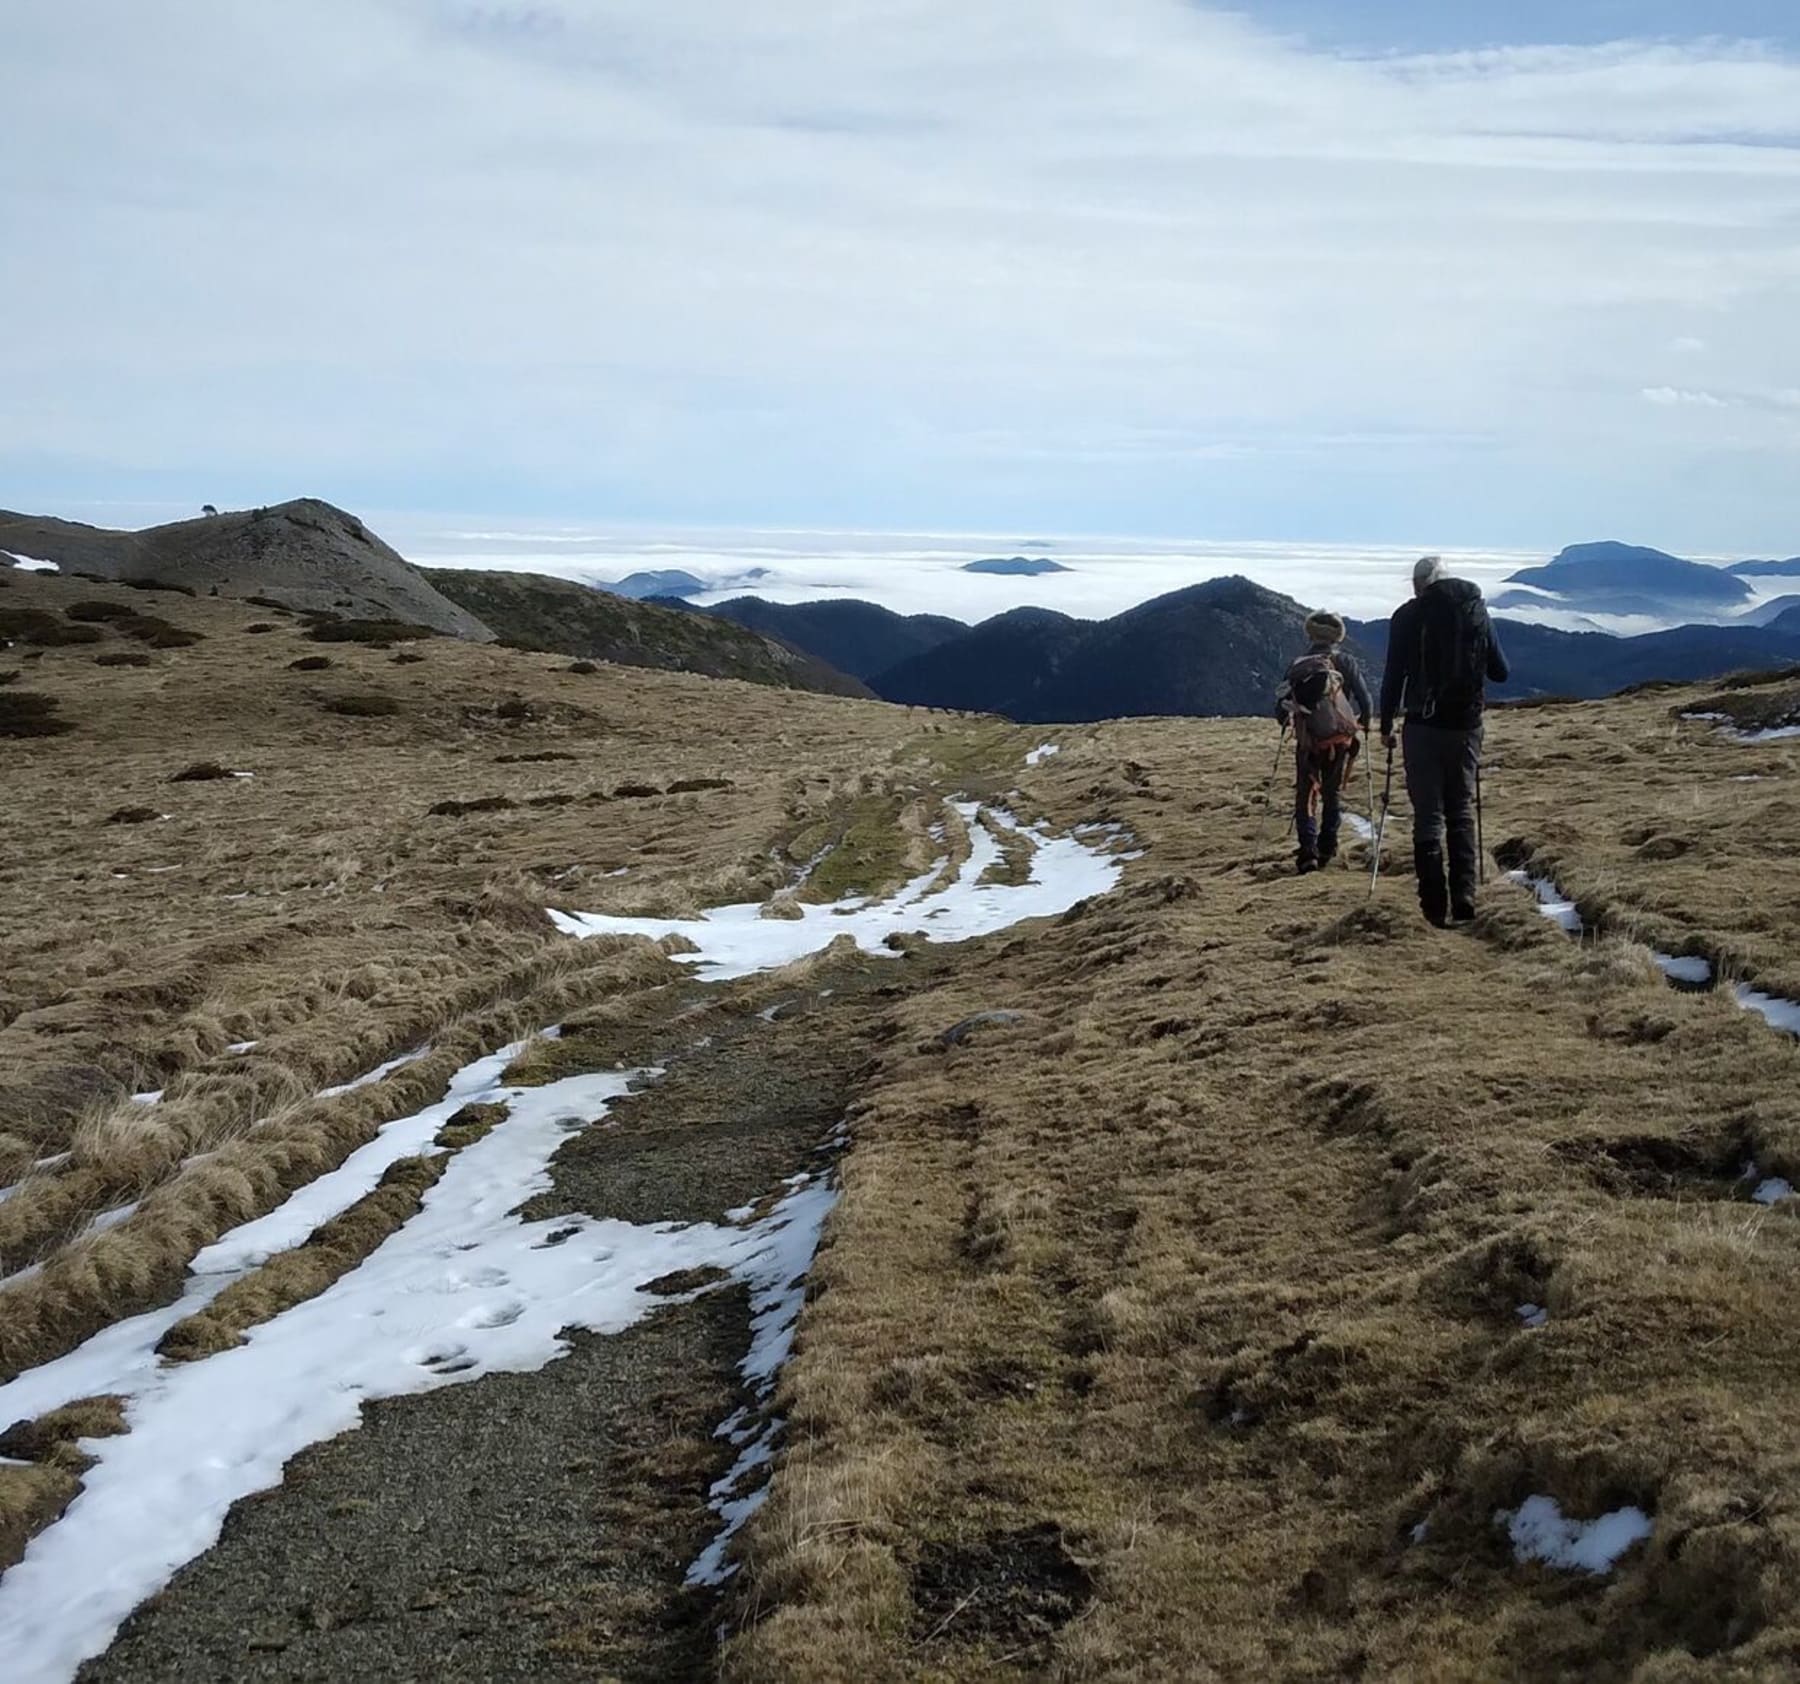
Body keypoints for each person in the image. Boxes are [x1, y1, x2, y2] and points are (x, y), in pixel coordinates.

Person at [1378, 555, 1510, 926]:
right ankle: (1465, 896)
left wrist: (1385, 724)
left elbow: (1394, 676)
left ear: (1419, 583)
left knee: (1428, 816)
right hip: (1466, 725)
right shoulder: (1475, 611)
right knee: (1461, 810)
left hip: (1422, 725)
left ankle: (1433, 905)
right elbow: (1502, 671)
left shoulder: (1407, 616)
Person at [1276, 610, 1371, 874]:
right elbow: (1365, 700)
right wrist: (1366, 724)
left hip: (1309, 741)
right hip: (1340, 740)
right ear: (1338, 636)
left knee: (1305, 794)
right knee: (1332, 793)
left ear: (1310, 633)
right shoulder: (1345, 662)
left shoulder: (1299, 664)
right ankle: (1328, 845)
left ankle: (1308, 851)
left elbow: (1281, 708)